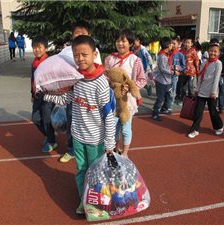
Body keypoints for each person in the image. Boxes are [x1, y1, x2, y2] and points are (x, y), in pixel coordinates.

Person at [71, 35, 115, 214]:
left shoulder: (100, 82)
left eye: (84, 54)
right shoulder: (74, 77)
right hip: (77, 136)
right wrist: (47, 94)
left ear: (94, 54)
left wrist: (110, 142)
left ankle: (98, 202)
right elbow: (68, 98)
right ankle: (85, 201)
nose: (80, 59)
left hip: (95, 139)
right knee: (81, 170)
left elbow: (108, 115)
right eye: (76, 55)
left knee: (95, 173)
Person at [59, 20, 102, 163]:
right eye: (77, 33)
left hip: (90, 94)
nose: (80, 58)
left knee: (92, 119)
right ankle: (71, 149)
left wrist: (109, 142)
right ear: (72, 35)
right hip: (74, 93)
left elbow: (98, 70)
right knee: (73, 121)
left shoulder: (95, 53)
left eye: (83, 33)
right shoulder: (65, 52)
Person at [104, 29, 146, 158]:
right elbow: (105, 77)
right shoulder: (109, 59)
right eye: (118, 40)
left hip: (127, 102)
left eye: (123, 41)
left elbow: (142, 79)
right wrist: (111, 84)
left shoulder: (135, 60)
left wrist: (129, 87)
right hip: (112, 101)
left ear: (131, 43)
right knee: (113, 128)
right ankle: (116, 148)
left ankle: (126, 153)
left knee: (126, 128)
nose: (120, 43)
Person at [188, 43, 224, 138]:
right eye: (211, 51)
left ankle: (219, 126)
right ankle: (195, 129)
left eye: (215, 51)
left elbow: (216, 78)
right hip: (201, 91)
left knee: (213, 112)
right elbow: (200, 77)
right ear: (208, 52)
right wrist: (197, 89)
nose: (213, 53)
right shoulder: (204, 62)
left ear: (219, 53)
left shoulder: (218, 63)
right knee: (198, 111)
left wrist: (214, 92)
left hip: (212, 92)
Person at [31, 36, 57, 153]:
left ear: (45, 48)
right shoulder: (34, 62)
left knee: (47, 119)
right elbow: (33, 79)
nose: (37, 50)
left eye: (39, 47)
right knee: (35, 118)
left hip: (47, 96)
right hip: (37, 96)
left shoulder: (49, 62)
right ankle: (49, 135)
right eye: (34, 47)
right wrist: (32, 93)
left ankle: (52, 141)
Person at [159, 36, 186, 116]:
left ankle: (169, 107)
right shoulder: (167, 53)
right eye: (171, 43)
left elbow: (183, 66)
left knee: (172, 92)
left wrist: (176, 70)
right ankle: (165, 106)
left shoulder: (180, 55)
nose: (172, 45)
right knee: (166, 92)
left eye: (174, 43)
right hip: (166, 77)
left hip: (174, 77)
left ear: (178, 44)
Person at [176, 37, 200, 106]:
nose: (186, 44)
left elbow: (197, 61)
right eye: (185, 42)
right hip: (182, 72)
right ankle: (182, 99)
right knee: (182, 87)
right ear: (183, 42)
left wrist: (198, 72)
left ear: (191, 44)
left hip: (191, 72)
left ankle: (190, 100)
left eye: (188, 42)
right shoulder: (180, 51)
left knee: (190, 86)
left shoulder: (193, 51)